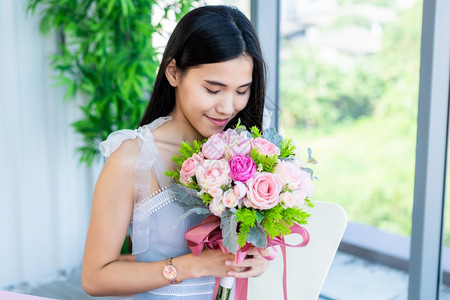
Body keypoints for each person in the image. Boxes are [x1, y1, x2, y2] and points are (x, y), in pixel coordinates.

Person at [81, 5, 269, 299]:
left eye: (242, 90)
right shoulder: (132, 159)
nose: (228, 107)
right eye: (213, 89)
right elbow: (95, 278)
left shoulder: (247, 154)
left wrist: (253, 259)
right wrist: (193, 266)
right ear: (173, 72)